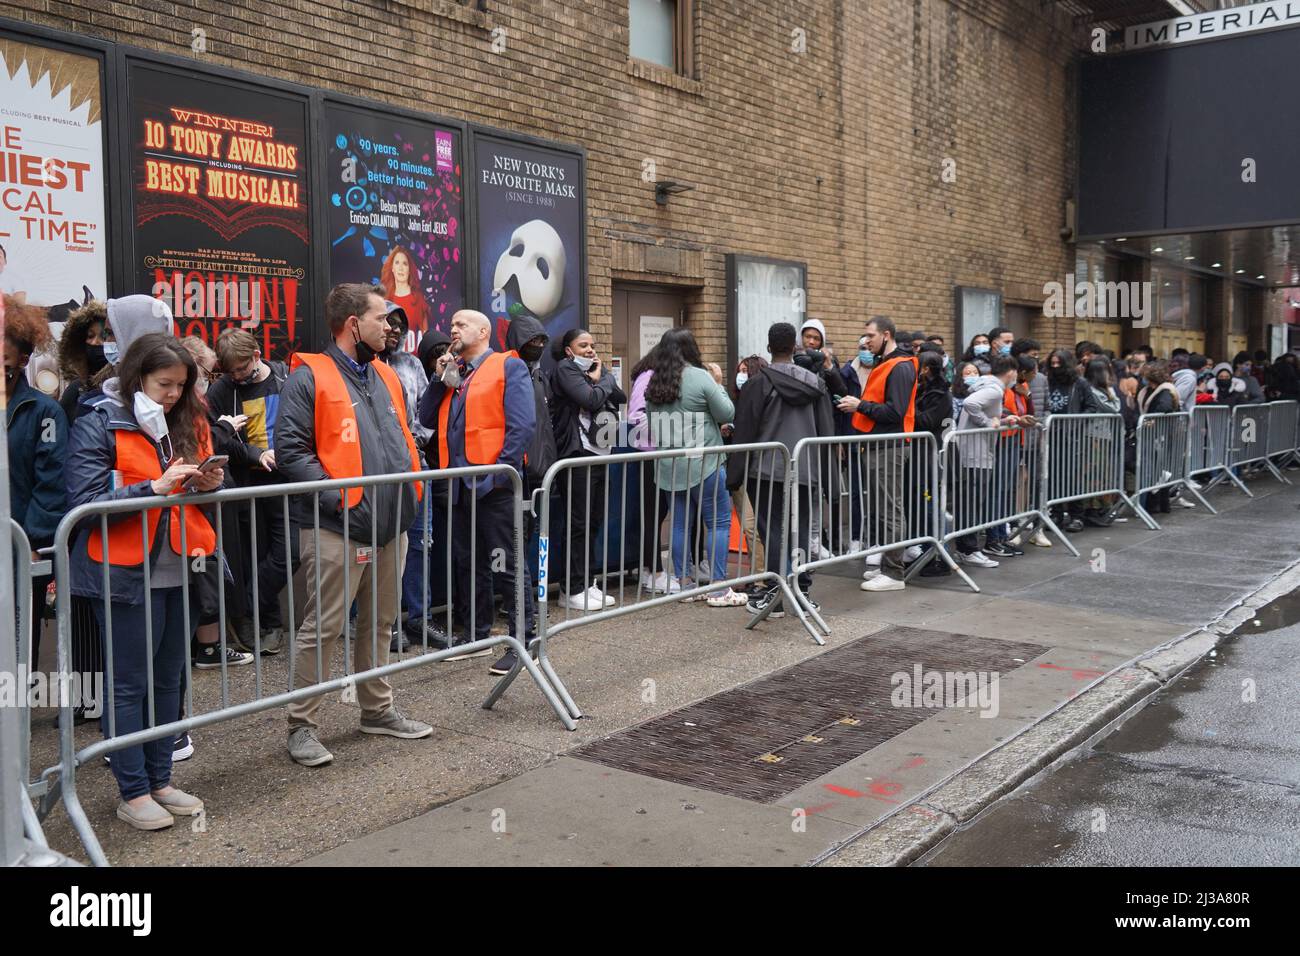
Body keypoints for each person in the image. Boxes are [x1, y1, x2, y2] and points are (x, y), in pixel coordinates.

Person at [66, 333, 222, 829]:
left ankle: (159, 780)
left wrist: (207, 484)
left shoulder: (181, 422)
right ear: (137, 376)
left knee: (169, 682)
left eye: (181, 384)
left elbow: (188, 495)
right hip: (122, 574)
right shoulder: (97, 421)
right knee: (130, 685)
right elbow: (80, 503)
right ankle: (133, 791)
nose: (174, 393)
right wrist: (149, 489)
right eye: (164, 383)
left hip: (181, 568)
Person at [276, 283, 432, 768]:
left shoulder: (385, 375)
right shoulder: (309, 378)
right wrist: (336, 497)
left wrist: (408, 493)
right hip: (335, 527)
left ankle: (377, 711)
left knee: (380, 623)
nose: (389, 327)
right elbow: (291, 451)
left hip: (388, 523)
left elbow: (400, 438)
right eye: (381, 318)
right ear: (352, 324)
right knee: (322, 629)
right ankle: (301, 726)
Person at [418, 309, 538, 667]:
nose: (453, 329)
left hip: (494, 486)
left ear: (484, 331)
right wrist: (440, 378)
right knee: (468, 563)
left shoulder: (508, 366)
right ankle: (476, 634)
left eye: (462, 324)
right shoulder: (455, 373)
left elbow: (521, 427)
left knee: (508, 564)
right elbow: (425, 418)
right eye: (452, 324)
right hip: (458, 487)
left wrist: (499, 476)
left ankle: (523, 641)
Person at [728, 322, 835, 617]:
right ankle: (802, 590)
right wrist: (830, 476)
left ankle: (773, 594)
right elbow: (827, 429)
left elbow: (745, 429)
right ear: (794, 347)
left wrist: (734, 473)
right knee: (799, 531)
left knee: (772, 530)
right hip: (806, 468)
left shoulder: (757, 383)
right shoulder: (815, 384)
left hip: (765, 470)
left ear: (769, 346)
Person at [206, 328, 294, 657]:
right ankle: (267, 625)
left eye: (242, 369)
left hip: (287, 480)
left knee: (291, 551)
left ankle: (250, 602)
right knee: (256, 552)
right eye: (231, 372)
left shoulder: (285, 378)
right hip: (247, 481)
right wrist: (255, 454)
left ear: (256, 356)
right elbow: (217, 438)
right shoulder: (221, 389)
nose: (237, 377)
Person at [645, 328, 745, 606]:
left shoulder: (654, 382)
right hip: (705, 463)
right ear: (691, 349)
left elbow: (653, 425)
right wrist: (718, 382)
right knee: (718, 522)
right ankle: (718, 588)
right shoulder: (700, 377)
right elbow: (727, 413)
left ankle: (684, 585)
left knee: (678, 525)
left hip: (669, 464)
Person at [5, 296, 68, 672]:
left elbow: (51, 482)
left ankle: (16, 718)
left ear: (24, 361)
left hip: (18, 543)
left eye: (5, 363)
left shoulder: (44, 411)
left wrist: (32, 542)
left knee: (17, 632)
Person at [836, 316, 918, 592]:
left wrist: (861, 406)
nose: (865, 341)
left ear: (886, 334)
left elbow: (895, 411)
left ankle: (895, 574)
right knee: (883, 509)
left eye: (870, 336)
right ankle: (887, 567)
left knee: (890, 509)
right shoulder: (887, 363)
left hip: (889, 446)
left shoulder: (900, 366)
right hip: (879, 445)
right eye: (864, 336)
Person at [549, 328, 626, 610]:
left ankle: (587, 581)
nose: (590, 349)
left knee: (593, 521)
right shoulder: (565, 370)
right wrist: (598, 381)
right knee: (577, 524)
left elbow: (620, 395)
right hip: (578, 455)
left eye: (592, 345)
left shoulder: (595, 371)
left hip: (599, 454)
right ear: (569, 350)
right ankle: (571, 588)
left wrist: (600, 376)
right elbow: (591, 400)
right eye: (583, 345)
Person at [501, 311, 555, 674]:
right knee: (515, 555)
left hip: (533, 476)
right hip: (524, 475)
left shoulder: (537, 377)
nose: (536, 346)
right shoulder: (519, 373)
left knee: (521, 553)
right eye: (530, 340)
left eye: (540, 340)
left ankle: (526, 630)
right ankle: (523, 628)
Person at [380, 303, 436, 652]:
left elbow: (424, 413)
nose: (396, 330)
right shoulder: (364, 366)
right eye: (389, 322)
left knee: (419, 544)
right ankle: (385, 621)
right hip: (378, 472)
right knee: (381, 547)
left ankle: (419, 617)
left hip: (416, 466)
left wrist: (417, 439)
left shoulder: (412, 364)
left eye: (401, 324)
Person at [951, 354, 1018, 569]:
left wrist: (1004, 420)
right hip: (975, 454)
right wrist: (987, 422)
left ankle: (967, 548)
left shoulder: (987, 386)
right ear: (1011, 372)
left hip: (974, 451)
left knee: (969, 502)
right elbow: (971, 404)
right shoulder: (995, 389)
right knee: (970, 503)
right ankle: (968, 549)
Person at [729, 354, 769, 582]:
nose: (740, 376)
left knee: (754, 527)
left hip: (757, 469)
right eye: (739, 371)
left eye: (746, 371)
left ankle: (762, 578)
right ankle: (758, 576)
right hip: (741, 470)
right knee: (749, 527)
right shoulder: (735, 400)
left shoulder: (763, 399)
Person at [1135, 360, 1181, 515]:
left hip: (1162, 435)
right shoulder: (1146, 390)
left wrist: (1152, 420)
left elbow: (1165, 407)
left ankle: (1156, 504)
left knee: (1158, 470)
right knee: (1156, 470)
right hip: (1152, 435)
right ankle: (1155, 504)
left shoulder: (1165, 390)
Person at [380, 245, 431, 338]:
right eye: (397, 263)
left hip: (414, 352)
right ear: (392, 268)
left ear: (409, 269)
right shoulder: (384, 299)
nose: (401, 268)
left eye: (405, 264)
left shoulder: (418, 298)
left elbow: (425, 335)